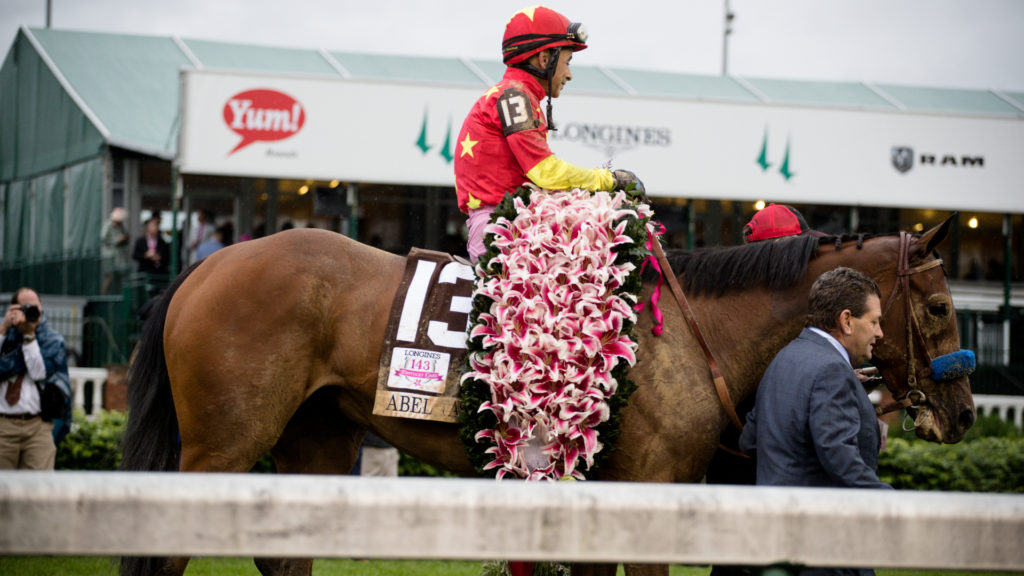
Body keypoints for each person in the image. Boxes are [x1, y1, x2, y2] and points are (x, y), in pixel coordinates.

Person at [453, 5, 644, 262]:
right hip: (499, 229)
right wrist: (611, 180)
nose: (569, 74)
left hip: (511, 223)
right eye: (567, 62)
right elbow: (545, 172)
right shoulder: (514, 97)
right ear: (545, 59)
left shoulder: (518, 95)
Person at [740, 267, 891, 575]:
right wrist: (890, 500)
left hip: (775, 546)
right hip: (824, 552)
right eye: (874, 322)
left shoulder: (785, 357)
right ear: (846, 321)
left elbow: (750, 440)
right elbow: (838, 455)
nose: (880, 333)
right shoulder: (831, 371)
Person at [0, 288, 71, 469]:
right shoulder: (4, 336)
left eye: (35, 306)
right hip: (3, 425)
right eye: (25, 307)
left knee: (40, 490)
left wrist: (29, 335)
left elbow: (39, 373)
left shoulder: (52, 340)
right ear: (12, 309)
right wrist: (3, 328)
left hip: (37, 426)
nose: (30, 311)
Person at [100, 207, 132, 295]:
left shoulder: (120, 226)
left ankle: (118, 295)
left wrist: (124, 239)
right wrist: (116, 240)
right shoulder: (108, 225)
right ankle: (105, 296)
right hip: (110, 255)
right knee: (109, 277)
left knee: (119, 277)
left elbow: (126, 235)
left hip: (119, 257)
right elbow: (103, 238)